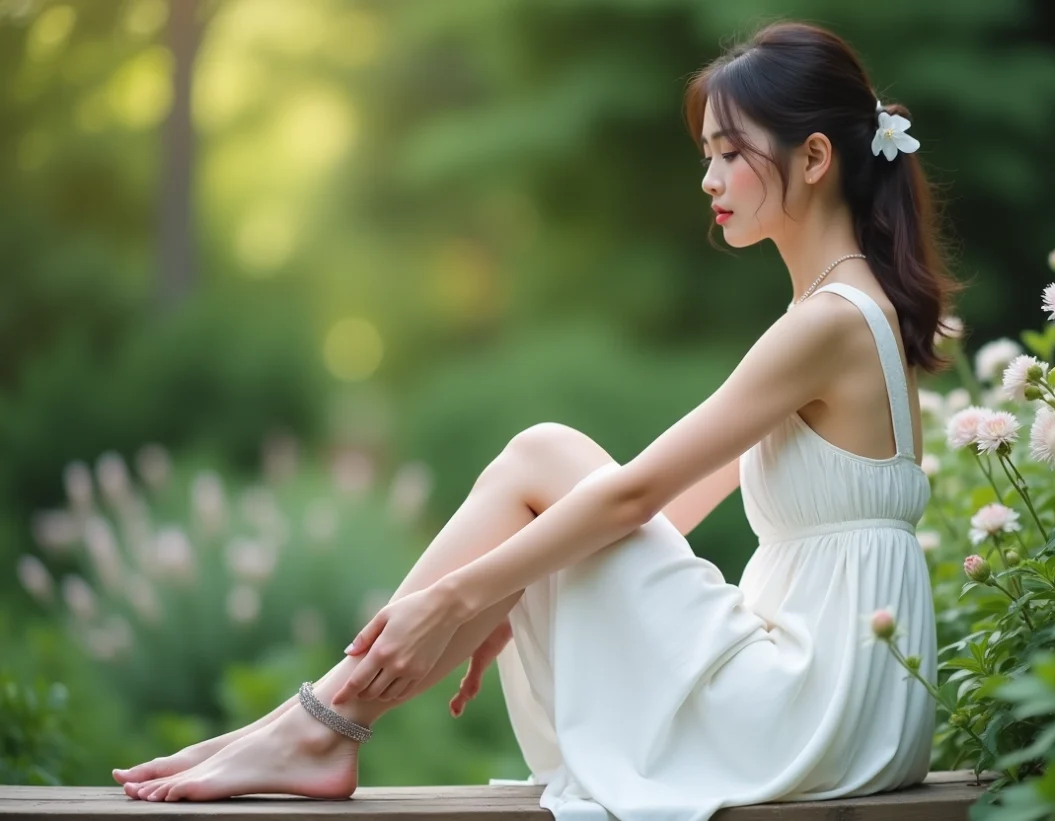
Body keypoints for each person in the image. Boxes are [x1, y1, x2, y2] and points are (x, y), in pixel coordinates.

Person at [113, 18, 960, 818]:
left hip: (810, 711)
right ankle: (309, 723)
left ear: (814, 157)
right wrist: (518, 591)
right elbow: (665, 518)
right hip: (846, 710)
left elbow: (631, 501)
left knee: (542, 451)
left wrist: (453, 600)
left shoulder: (827, 323)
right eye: (707, 153)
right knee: (545, 487)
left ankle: (318, 722)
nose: (709, 180)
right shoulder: (841, 310)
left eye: (731, 153)